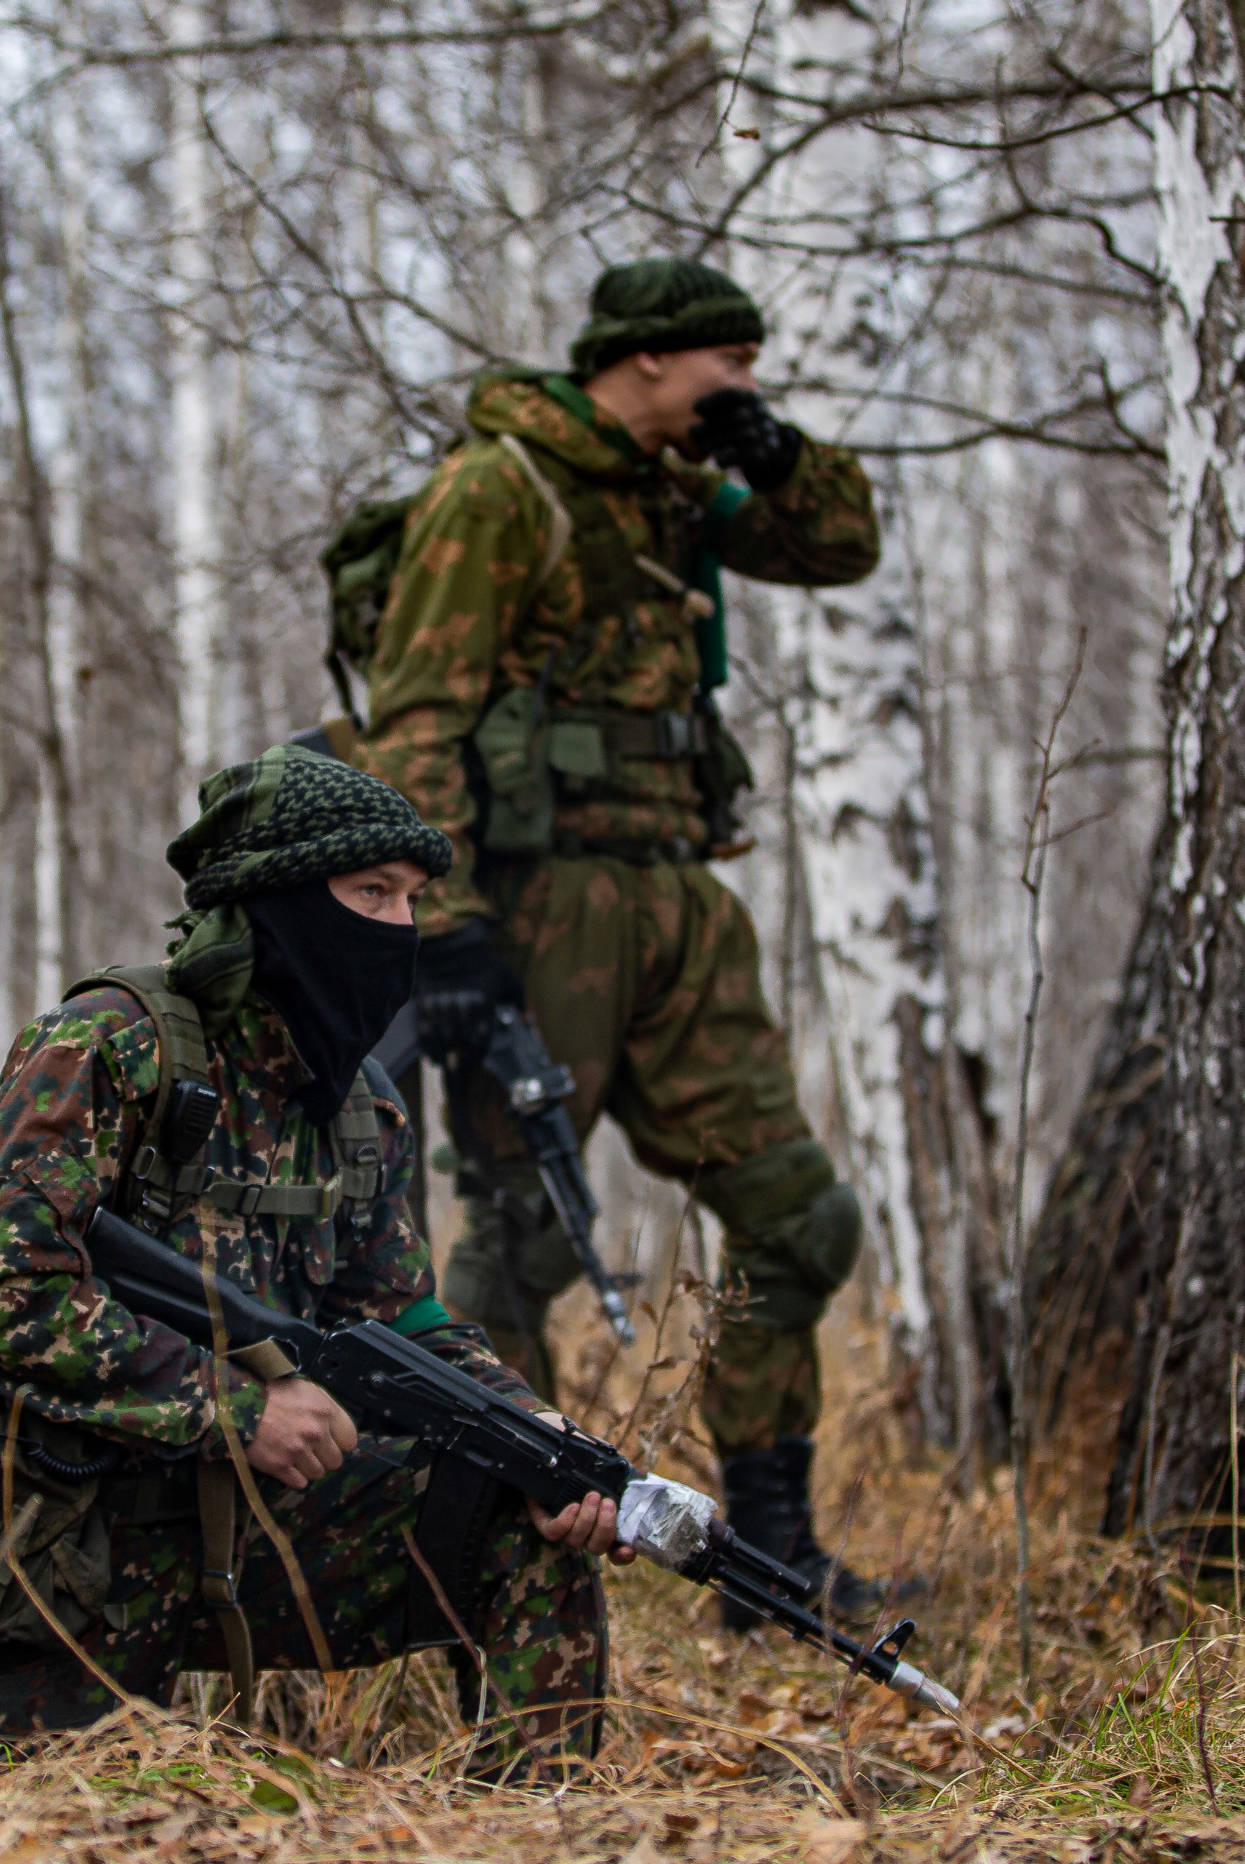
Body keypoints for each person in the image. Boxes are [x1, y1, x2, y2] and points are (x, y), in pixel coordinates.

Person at [0, 746, 627, 1762]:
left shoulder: (361, 1104)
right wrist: (239, 1412)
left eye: (413, 899)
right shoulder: (111, 1044)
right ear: (274, 899)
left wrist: (526, 1428)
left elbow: (400, 1320)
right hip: (57, 1538)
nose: (400, 928)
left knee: (523, 1513)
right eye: (371, 892)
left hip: (249, 1528)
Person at [348, 255, 888, 1624]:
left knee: (796, 1213)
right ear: (648, 359)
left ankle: (772, 1557)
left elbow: (840, 545)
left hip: (681, 897)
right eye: (733, 367)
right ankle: (488, 1548)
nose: (747, 387)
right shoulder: (502, 490)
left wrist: (778, 454)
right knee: (520, 1239)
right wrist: (446, 930)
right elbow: (416, 714)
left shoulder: (681, 492)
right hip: (543, 904)